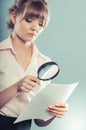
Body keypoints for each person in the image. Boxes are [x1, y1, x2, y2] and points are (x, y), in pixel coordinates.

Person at [0, 0, 68, 130]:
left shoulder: (45, 63)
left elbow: (39, 121)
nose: (35, 28)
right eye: (29, 20)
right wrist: (16, 87)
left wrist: (54, 112)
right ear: (14, 17)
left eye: (41, 24)